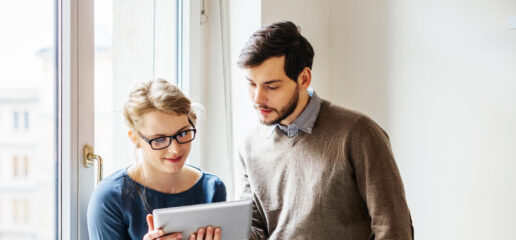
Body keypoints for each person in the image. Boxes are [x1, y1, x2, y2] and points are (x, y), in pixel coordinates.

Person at [237, 21, 414, 239]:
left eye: (272, 86)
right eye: (251, 84)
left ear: (303, 79)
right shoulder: (249, 145)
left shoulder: (359, 133)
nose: (258, 99)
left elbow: (394, 228)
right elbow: (253, 230)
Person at [87, 79, 226, 240]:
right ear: (135, 138)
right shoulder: (110, 198)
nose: (175, 149)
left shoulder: (212, 189)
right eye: (159, 139)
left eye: (182, 133)